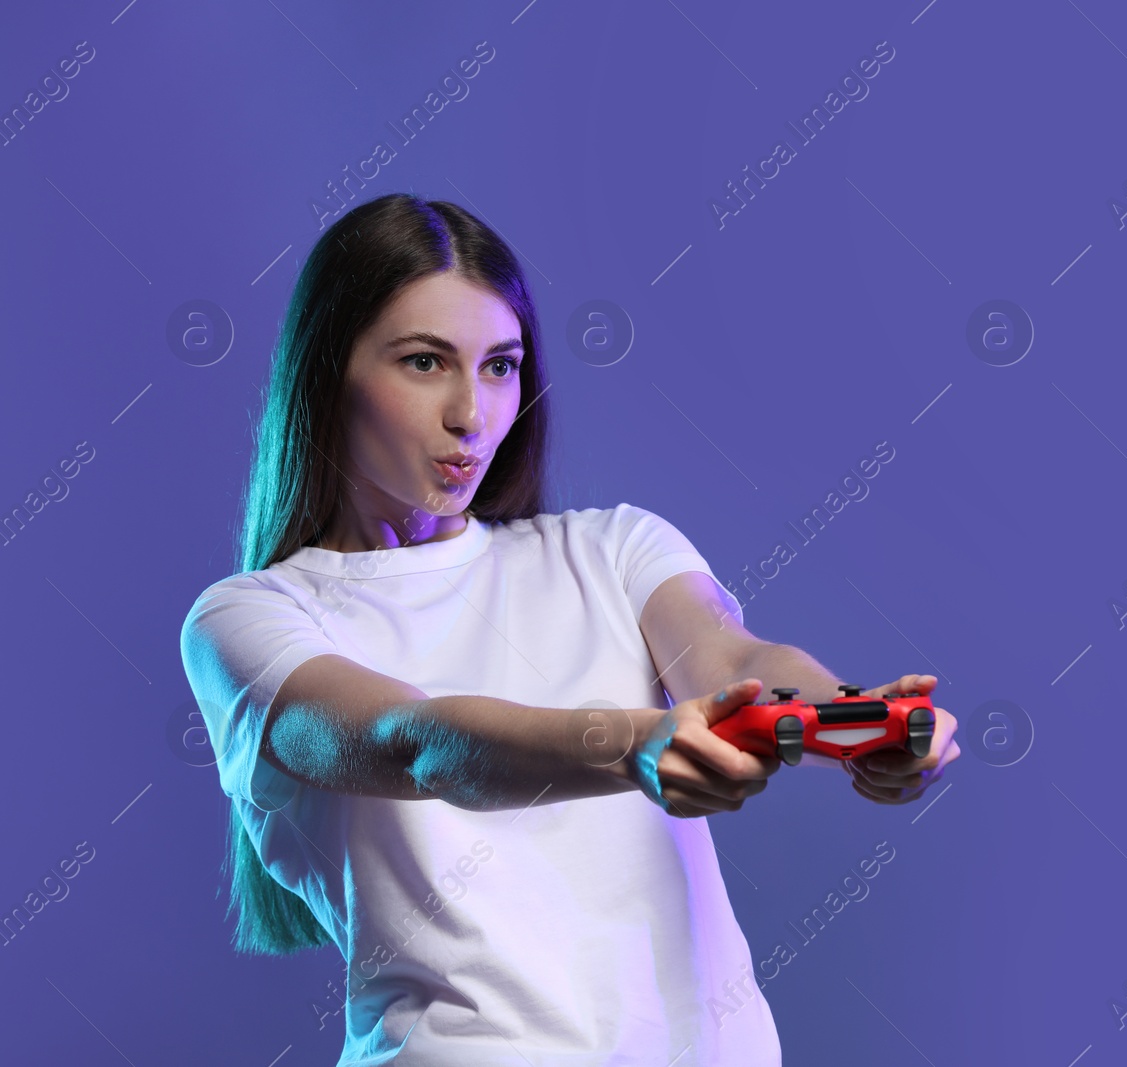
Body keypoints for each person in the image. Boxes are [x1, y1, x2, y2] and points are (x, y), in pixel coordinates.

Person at [178, 192, 961, 1066]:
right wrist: (632, 744)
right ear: (329, 372)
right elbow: (414, 742)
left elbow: (732, 658)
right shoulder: (246, 620)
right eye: (425, 361)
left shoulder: (612, 546)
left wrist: (850, 718)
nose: (471, 414)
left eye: (501, 365)